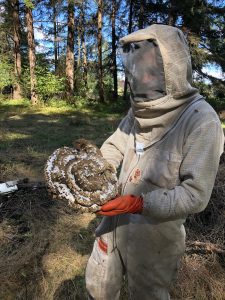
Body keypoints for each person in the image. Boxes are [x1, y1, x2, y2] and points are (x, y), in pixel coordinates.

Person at [85, 24, 224, 300]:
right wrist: (92, 171)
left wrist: (139, 203)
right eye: (138, 71)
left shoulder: (201, 120)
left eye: (150, 72)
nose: (142, 78)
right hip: (112, 222)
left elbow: (195, 195)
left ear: (170, 68)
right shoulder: (138, 111)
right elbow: (116, 144)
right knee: (97, 286)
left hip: (156, 235)